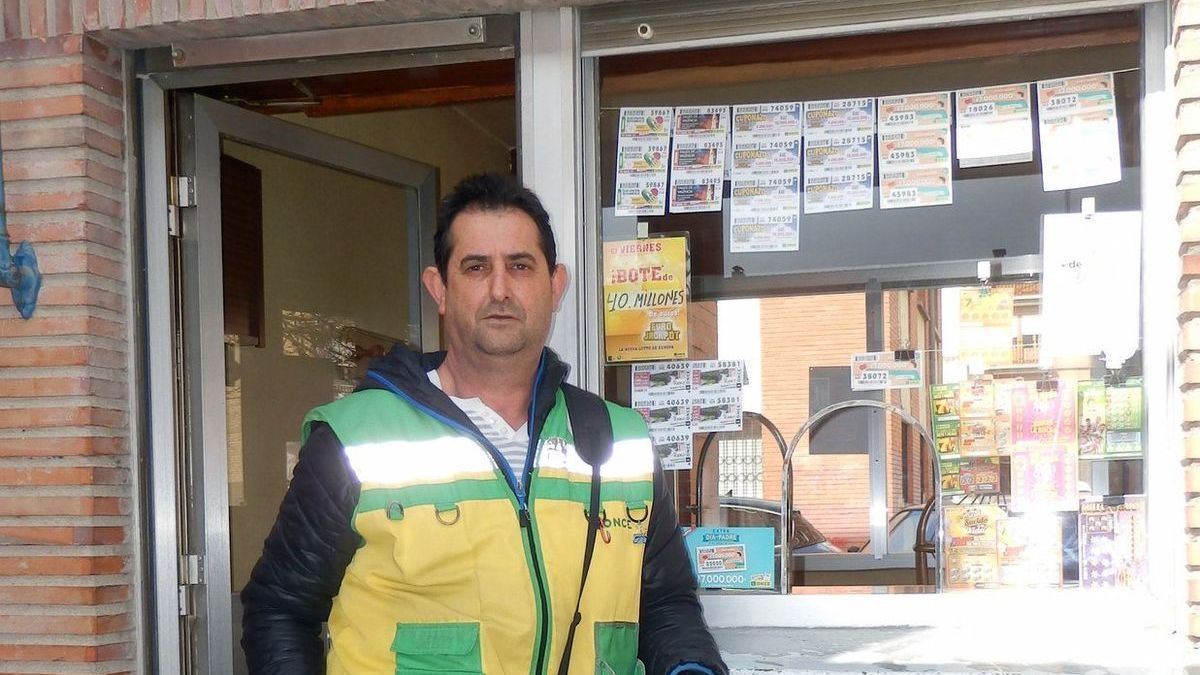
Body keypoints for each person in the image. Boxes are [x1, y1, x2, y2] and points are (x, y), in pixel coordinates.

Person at [241, 173, 728, 675]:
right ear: (440, 288)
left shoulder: (620, 438)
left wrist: (690, 666)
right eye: (476, 268)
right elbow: (280, 609)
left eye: (520, 266)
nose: (500, 289)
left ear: (554, 286)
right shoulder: (353, 438)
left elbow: (667, 603)